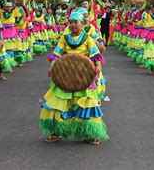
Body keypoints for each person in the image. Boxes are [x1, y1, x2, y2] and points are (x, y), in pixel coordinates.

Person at [40, 12, 107, 145]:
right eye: (71, 22)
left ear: (82, 24)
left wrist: (98, 66)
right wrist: (52, 67)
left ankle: (91, 133)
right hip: (65, 75)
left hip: (84, 76)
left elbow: (96, 55)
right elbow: (56, 55)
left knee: (87, 103)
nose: (73, 25)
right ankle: (57, 131)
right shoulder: (64, 38)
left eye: (76, 22)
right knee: (57, 103)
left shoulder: (87, 38)